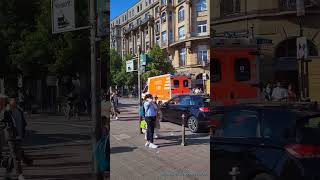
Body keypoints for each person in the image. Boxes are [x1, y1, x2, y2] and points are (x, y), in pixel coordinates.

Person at [1, 96, 33, 180]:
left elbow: (23, 123)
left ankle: (7, 173)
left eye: (16, 100)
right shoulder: (6, 111)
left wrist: (23, 132)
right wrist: (6, 126)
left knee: (13, 155)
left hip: (19, 136)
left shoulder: (19, 110)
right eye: (13, 100)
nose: (15, 102)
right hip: (10, 136)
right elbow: (1, 122)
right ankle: (20, 174)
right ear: (9, 101)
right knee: (16, 156)